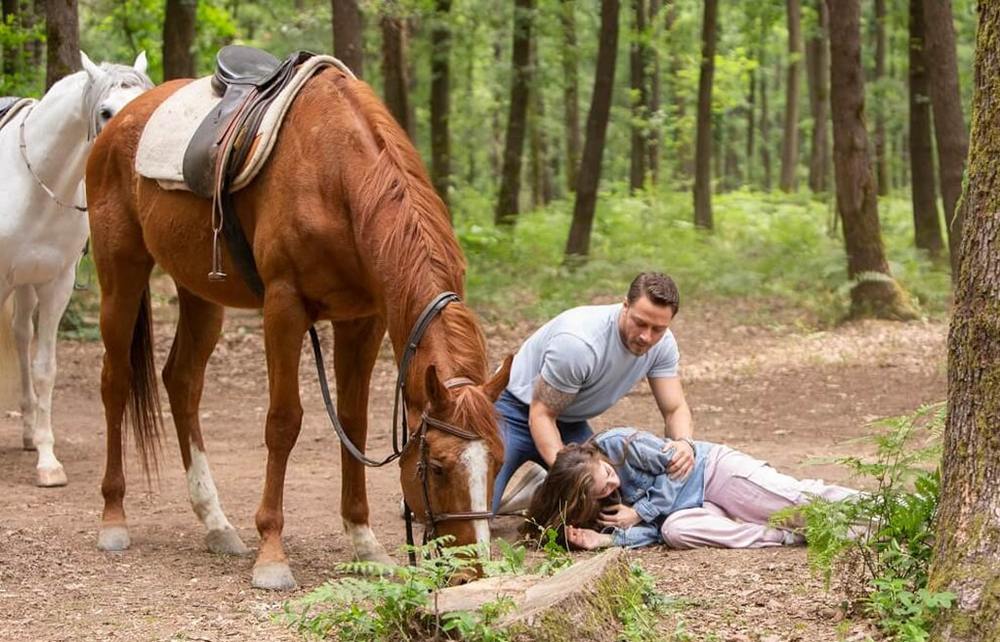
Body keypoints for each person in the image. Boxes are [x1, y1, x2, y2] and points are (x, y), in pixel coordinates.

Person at [492, 272, 694, 513]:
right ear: (625, 305)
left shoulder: (663, 345)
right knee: (476, 513)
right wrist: (572, 475)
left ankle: (541, 485)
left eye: (658, 329)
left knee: (611, 502)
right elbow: (542, 415)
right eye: (640, 323)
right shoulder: (579, 343)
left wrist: (683, 444)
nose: (646, 337)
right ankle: (546, 482)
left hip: (570, 423)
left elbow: (674, 409)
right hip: (512, 412)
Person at [524, 427, 858, 550]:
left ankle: (890, 510)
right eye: (602, 490)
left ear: (598, 457)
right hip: (692, 509)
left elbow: (679, 468)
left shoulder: (618, 443)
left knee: (797, 503)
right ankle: (782, 537)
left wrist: (640, 511)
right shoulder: (597, 509)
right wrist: (608, 540)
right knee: (675, 531)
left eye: (609, 474)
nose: (613, 484)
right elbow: (655, 533)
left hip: (711, 473)